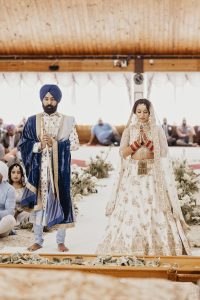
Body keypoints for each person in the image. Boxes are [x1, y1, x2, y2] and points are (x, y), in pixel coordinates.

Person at [97, 99, 190, 256]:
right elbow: (122, 153)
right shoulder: (129, 130)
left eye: (145, 111)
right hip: (133, 175)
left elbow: (164, 153)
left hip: (152, 175)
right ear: (134, 112)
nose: (142, 115)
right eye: (138, 111)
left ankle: (158, 245)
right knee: (132, 210)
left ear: (150, 112)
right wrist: (135, 144)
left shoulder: (157, 130)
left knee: (154, 208)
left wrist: (147, 143)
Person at [18, 84, 79, 252]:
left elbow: (75, 144)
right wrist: (39, 144)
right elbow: (22, 144)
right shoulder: (32, 120)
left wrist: (55, 143)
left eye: (53, 99)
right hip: (39, 171)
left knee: (61, 202)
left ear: (58, 100)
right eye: (46, 99)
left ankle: (60, 241)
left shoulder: (68, 120)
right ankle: (38, 240)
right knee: (39, 204)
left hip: (60, 171)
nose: (49, 102)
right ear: (42, 100)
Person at [8, 162, 30, 227]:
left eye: (18, 172)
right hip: (13, 214)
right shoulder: (7, 188)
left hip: (24, 212)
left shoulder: (25, 188)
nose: (16, 175)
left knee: (34, 214)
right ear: (10, 174)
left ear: (22, 175)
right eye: (13, 172)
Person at [0, 161, 16, 238]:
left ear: (2, 174)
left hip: (2, 226)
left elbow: (10, 211)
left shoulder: (10, 189)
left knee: (10, 219)